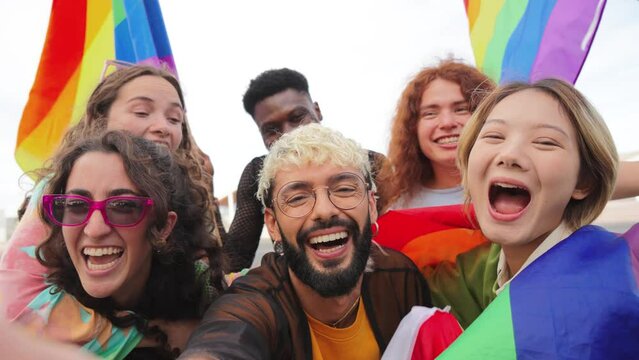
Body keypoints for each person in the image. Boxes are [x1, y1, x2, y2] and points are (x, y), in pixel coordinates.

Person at [180, 124, 460, 359]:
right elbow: (223, 340)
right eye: (298, 197)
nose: (324, 210)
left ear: (372, 207)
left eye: (345, 189)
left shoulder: (400, 279)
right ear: (273, 224)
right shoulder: (255, 302)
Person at [0, 65, 222, 354]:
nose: (162, 127)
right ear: (99, 119)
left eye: (174, 118)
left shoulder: (189, 199)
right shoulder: (62, 185)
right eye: (141, 112)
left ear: (167, 224)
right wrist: (146, 336)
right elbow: (13, 300)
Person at [428, 79, 639, 352]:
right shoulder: (470, 275)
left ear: (583, 181)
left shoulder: (625, 270)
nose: (510, 154)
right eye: (494, 136)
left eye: (545, 142)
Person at [22, 131, 225, 358]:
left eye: (123, 206)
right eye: (76, 205)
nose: (94, 229)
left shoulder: (213, 301)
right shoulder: (31, 324)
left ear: (163, 226)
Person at [380, 59, 639, 211]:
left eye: (461, 109)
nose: (447, 122)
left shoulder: (535, 175)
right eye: (430, 113)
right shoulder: (392, 201)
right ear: (412, 128)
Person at [224, 68, 387, 272]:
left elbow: (403, 234)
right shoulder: (257, 175)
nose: (289, 134)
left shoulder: (371, 163)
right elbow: (235, 258)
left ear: (317, 110)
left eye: (297, 117)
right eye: (271, 129)